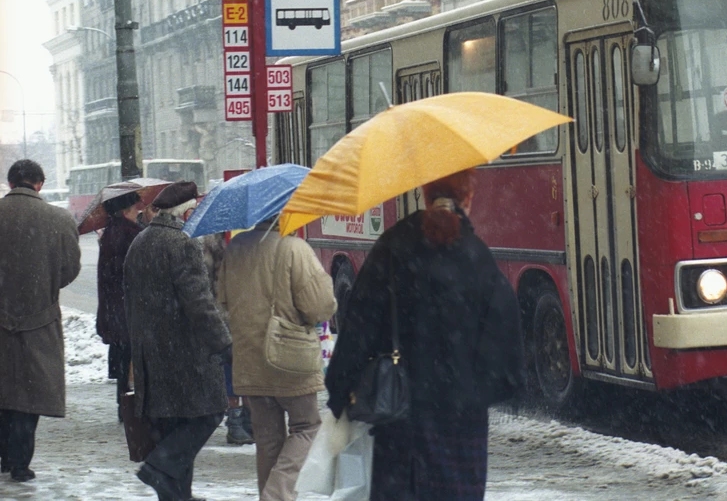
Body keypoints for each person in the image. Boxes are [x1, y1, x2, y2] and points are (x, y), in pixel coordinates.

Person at [325, 168, 526, 501]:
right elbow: (507, 359)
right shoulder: (479, 258)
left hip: (400, 424)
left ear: (423, 193)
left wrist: (340, 390)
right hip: (460, 429)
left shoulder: (391, 247)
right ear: (468, 198)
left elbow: (358, 326)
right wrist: (471, 392)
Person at [124, 181, 232, 501]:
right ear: (186, 212)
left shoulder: (140, 241)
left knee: (172, 426)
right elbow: (199, 304)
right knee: (209, 413)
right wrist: (225, 346)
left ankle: (176, 494)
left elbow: (129, 302)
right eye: (195, 210)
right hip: (184, 355)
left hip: (151, 353)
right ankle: (159, 467)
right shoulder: (182, 244)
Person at [216, 217, 337, 501]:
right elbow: (320, 306)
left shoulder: (236, 249)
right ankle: (275, 496)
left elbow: (222, 300)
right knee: (307, 427)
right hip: (291, 358)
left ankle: (270, 495)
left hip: (249, 359)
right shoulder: (295, 248)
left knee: (268, 439)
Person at [0, 159, 82, 483]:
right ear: (40, 184)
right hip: (40, 321)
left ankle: (3, 454)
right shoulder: (58, 219)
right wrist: (42, 284)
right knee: (29, 395)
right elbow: (69, 270)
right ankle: (20, 461)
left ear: (10, 183)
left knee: (3, 389)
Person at [200, 232, 254, 446]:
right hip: (224, 312)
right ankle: (234, 418)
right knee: (230, 363)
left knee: (250, 364)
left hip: (251, 309)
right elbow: (205, 277)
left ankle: (250, 417)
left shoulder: (252, 237)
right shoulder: (214, 241)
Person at [96, 190, 142, 422]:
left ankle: (123, 405)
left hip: (114, 309)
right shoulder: (130, 234)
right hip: (128, 308)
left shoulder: (110, 233)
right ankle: (129, 406)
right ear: (126, 211)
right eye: (135, 209)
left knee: (123, 359)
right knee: (132, 358)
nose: (138, 213)